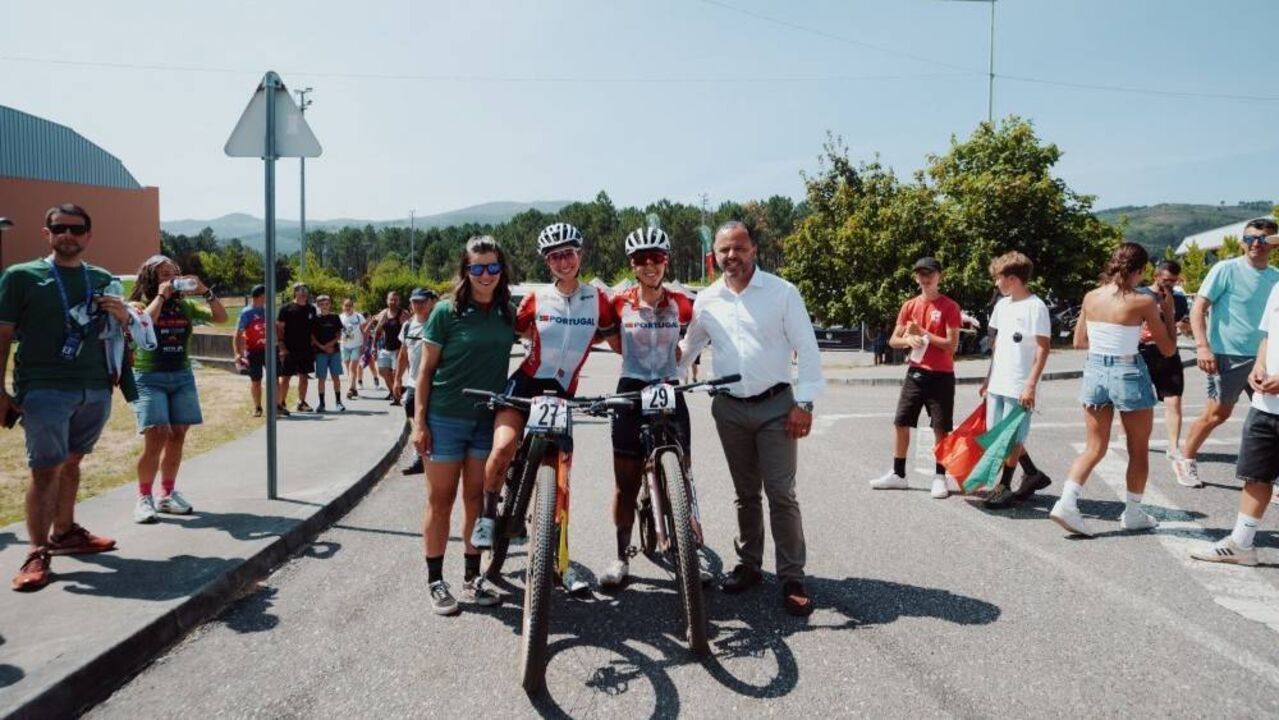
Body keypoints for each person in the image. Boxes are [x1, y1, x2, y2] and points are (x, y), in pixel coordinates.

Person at [679, 220, 823, 617]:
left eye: (739, 248)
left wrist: (805, 403)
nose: (732, 256)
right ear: (714, 255)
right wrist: (658, 372)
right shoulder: (707, 300)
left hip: (778, 407)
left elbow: (808, 348)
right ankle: (749, 564)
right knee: (745, 493)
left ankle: (792, 576)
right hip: (729, 409)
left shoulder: (782, 292)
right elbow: (689, 349)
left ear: (753, 250)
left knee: (780, 492)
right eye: (724, 250)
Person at [471, 222, 616, 593]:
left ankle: (559, 562)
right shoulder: (536, 299)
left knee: (561, 483)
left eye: (568, 254)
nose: (563, 262)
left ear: (580, 255)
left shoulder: (598, 300)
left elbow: (618, 340)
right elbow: (508, 332)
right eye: (554, 257)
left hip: (561, 395)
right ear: (547, 263)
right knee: (503, 448)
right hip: (524, 386)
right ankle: (487, 515)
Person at [1, 204, 128, 591]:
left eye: (76, 229)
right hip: (44, 387)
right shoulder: (21, 276)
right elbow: (2, 335)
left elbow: (120, 334)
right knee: (45, 469)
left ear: (88, 235)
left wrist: (124, 317)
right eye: (60, 229)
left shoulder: (102, 278)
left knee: (72, 461)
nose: (68, 235)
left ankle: (65, 531)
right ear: (47, 233)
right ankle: (37, 551)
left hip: (94, 385)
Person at [411, 237, 514, 615]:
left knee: (477, 500)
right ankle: (436, 580)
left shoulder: (507, 311)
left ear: (501, 269)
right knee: (441, 500)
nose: (486, 275)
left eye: (492, 267)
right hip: (444, 418)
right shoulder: (445, 311)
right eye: (477, 268)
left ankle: (473, 576)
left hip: (486, 421)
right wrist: (419, 422)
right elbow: (425, 372)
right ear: (465, 271)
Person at [1049, 243, 1176, 537]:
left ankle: (1066, 503)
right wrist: (1168, 313)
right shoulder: (1143, 301)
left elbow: (1079, 342)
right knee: (1138, 448)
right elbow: (1168, 349)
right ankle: (1133, 513)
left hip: (1095, 369)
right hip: (1127, 370)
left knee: (1094, 447)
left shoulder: (1091, 296)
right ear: (1141, 270)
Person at [598, 227, 695, 589]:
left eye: (657, 258)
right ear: (632, 265)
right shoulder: (617, 303)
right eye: (642, 259)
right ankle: (621, 557)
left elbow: (696, 337)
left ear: (666, 261)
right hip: (632, 388)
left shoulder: (682, 302)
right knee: (626, 483)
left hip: (669, 387)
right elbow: (615, 344)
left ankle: (688, 547)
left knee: (683, 474)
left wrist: (682, 359)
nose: (650, 265)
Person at [1176, 218, 1279, 489]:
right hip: (1228, 355)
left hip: (1266, 359)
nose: (1255, 244)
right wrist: (1202, 346)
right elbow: (1198, 308)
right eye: (1249, 238)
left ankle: (1271, 477)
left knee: (1272, 417)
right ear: (1243, 242)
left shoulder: (1276, 277)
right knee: (1217, 414)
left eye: (1263, 239)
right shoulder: (1226, 269)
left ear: (1274, 244)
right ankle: (1186, 459)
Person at [127, 255, 227, 523]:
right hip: (149, 376)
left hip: (182, 375)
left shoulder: (185, 306)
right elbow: (143, 324)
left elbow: (221, 317)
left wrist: (205, 291)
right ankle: (144, 498)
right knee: (157, 434)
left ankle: (166, 494)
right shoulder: (138, 305)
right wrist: (161, 296)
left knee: (178, 434)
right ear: (150, 279)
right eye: (164, 275)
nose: (170, 280)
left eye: (174, 274)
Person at [1190, 270, 1279, 564]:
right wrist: (1259, 366)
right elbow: (1268, 337)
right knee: (1256, 476)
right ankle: (1241, 544)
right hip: (1266, 405)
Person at [868, 257, 963, 498]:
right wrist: (907, 340)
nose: (925, 278)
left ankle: (940, 477)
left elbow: (952, 345)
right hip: (915, 373)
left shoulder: (950, 307)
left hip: (941, 375)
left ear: (940, 276)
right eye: (921, 274)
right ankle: (898, 474)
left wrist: (924, 333)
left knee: (940, 428)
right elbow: (893, 340)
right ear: (915, 277)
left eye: (929, 273)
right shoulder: (909, 306)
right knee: (901, 422)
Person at [978, 252, 1053, 509]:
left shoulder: (1036, 307)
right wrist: (988, 378)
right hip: (998, 382)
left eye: (998, 278)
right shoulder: (1002, 306)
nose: (996, 283)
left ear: (1012, 279)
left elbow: (1043, 348)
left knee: (1010, 437)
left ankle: (1005, 486)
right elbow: (997, 345)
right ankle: (1032, 474)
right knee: (997, 435)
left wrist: (1030, 384)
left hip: (1019, 384)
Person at [1137, 260, 1191, 477]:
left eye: (1174, 281)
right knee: (1138, 401)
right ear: (1156, 276)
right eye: (1166, 280)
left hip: (1168, 353)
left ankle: (1173, 446)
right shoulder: (1141, 295)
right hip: (1142, 352)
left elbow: (1185, 326)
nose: (1169, 284)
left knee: (1173, 399)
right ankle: (1130, 437)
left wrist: (1184, 326)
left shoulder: (1178, 299)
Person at [395, 288, 439, 475]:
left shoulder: (438, 323)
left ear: (431, 302)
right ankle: (420, 455)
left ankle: (433, 456)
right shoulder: (407, 326)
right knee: (411, 414)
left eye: (422, 301)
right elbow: (403, 354)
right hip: (414, 382)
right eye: (415, 302)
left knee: (433, 419)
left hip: (436, 382)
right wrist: (397, 379)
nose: (418, 305)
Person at [277, 283, 317, 413]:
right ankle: (281, 403)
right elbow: (279, 328)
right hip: (289, 348)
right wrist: (282, 346)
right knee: (285, 377)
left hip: (306, 349)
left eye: (305, 290)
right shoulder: (286, 308)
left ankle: (301, 402)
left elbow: (313, 329)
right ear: (295, 292)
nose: (304, 292)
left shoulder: (311, 309)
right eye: (301, 290)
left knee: (304, 377)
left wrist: (314, 346)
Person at [233, 285, 272, 417]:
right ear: (260, 296)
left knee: (274, 378)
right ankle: (257, 407)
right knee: (256, 380)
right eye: (266, 294)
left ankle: (276, 406)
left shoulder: (268, 310)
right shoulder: (246, 312)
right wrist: (237, 353)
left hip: (269, 351)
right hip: (253, 351)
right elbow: (237, 334)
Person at [370, 291, 409, 405]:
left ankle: (396, 398)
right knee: (382, 371)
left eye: (395, 300)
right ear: (387, 301)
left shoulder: (403, 314)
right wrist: (373, 347)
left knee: (396, 374)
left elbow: (409, 331)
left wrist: (405, 349)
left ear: (399, 301)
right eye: (391, 299)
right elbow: (377, 331)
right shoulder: (384, 313)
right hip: (385, 349)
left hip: (398, 349)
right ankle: (397, 391)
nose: (393, 302)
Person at [310, 295, 345, 413]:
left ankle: (338, 402)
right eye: (322, 304)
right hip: (320, 352)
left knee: (336, 377)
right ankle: (322, 403)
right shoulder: (315, 318)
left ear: (330, 304)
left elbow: (339, 334)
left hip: (334, 352)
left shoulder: (335, 317)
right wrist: (321, 346)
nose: (325, 306)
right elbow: (312, 336)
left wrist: (330, 344)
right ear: (318, 305)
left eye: (327, 304)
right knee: (321, 378)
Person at [338, 298, 366, 400]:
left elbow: (365, 331)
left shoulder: (359, 317)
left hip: (357, 345)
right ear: (343, 307)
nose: (348, 307)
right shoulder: (340, 317)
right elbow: (337, 331)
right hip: (345, 346)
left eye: (350, 305)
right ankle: (354, 388)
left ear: (353, 307)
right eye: (346, 305)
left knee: (352, 368)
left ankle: (349, 389)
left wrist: (364, 344)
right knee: (348, 369)